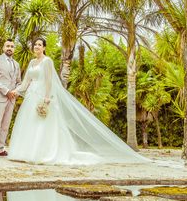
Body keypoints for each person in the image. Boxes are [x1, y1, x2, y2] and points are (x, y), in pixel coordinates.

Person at [8, 38, 149, 165]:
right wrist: (16, 91)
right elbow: (26, 81)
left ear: (44, 47)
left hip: (42, 95)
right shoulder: (32, 62)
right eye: (35, 45)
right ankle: (25, 152)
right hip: (31, 95)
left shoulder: (47, 61)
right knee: (30, 123)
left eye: (39, 45)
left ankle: (42, 153)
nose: (36, 47)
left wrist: (47, 97)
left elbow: (49, 81)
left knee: (43, 124)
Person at [0, 39, 21, 158]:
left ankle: (0, 149)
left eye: (12, 46)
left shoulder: (16, 64)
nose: (10, 48)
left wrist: (16, 92)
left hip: (11, 99)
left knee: (5, 125)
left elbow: (19, 82)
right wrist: (6, 91)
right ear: (3, 48)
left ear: (14, 49)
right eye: (7, 46)